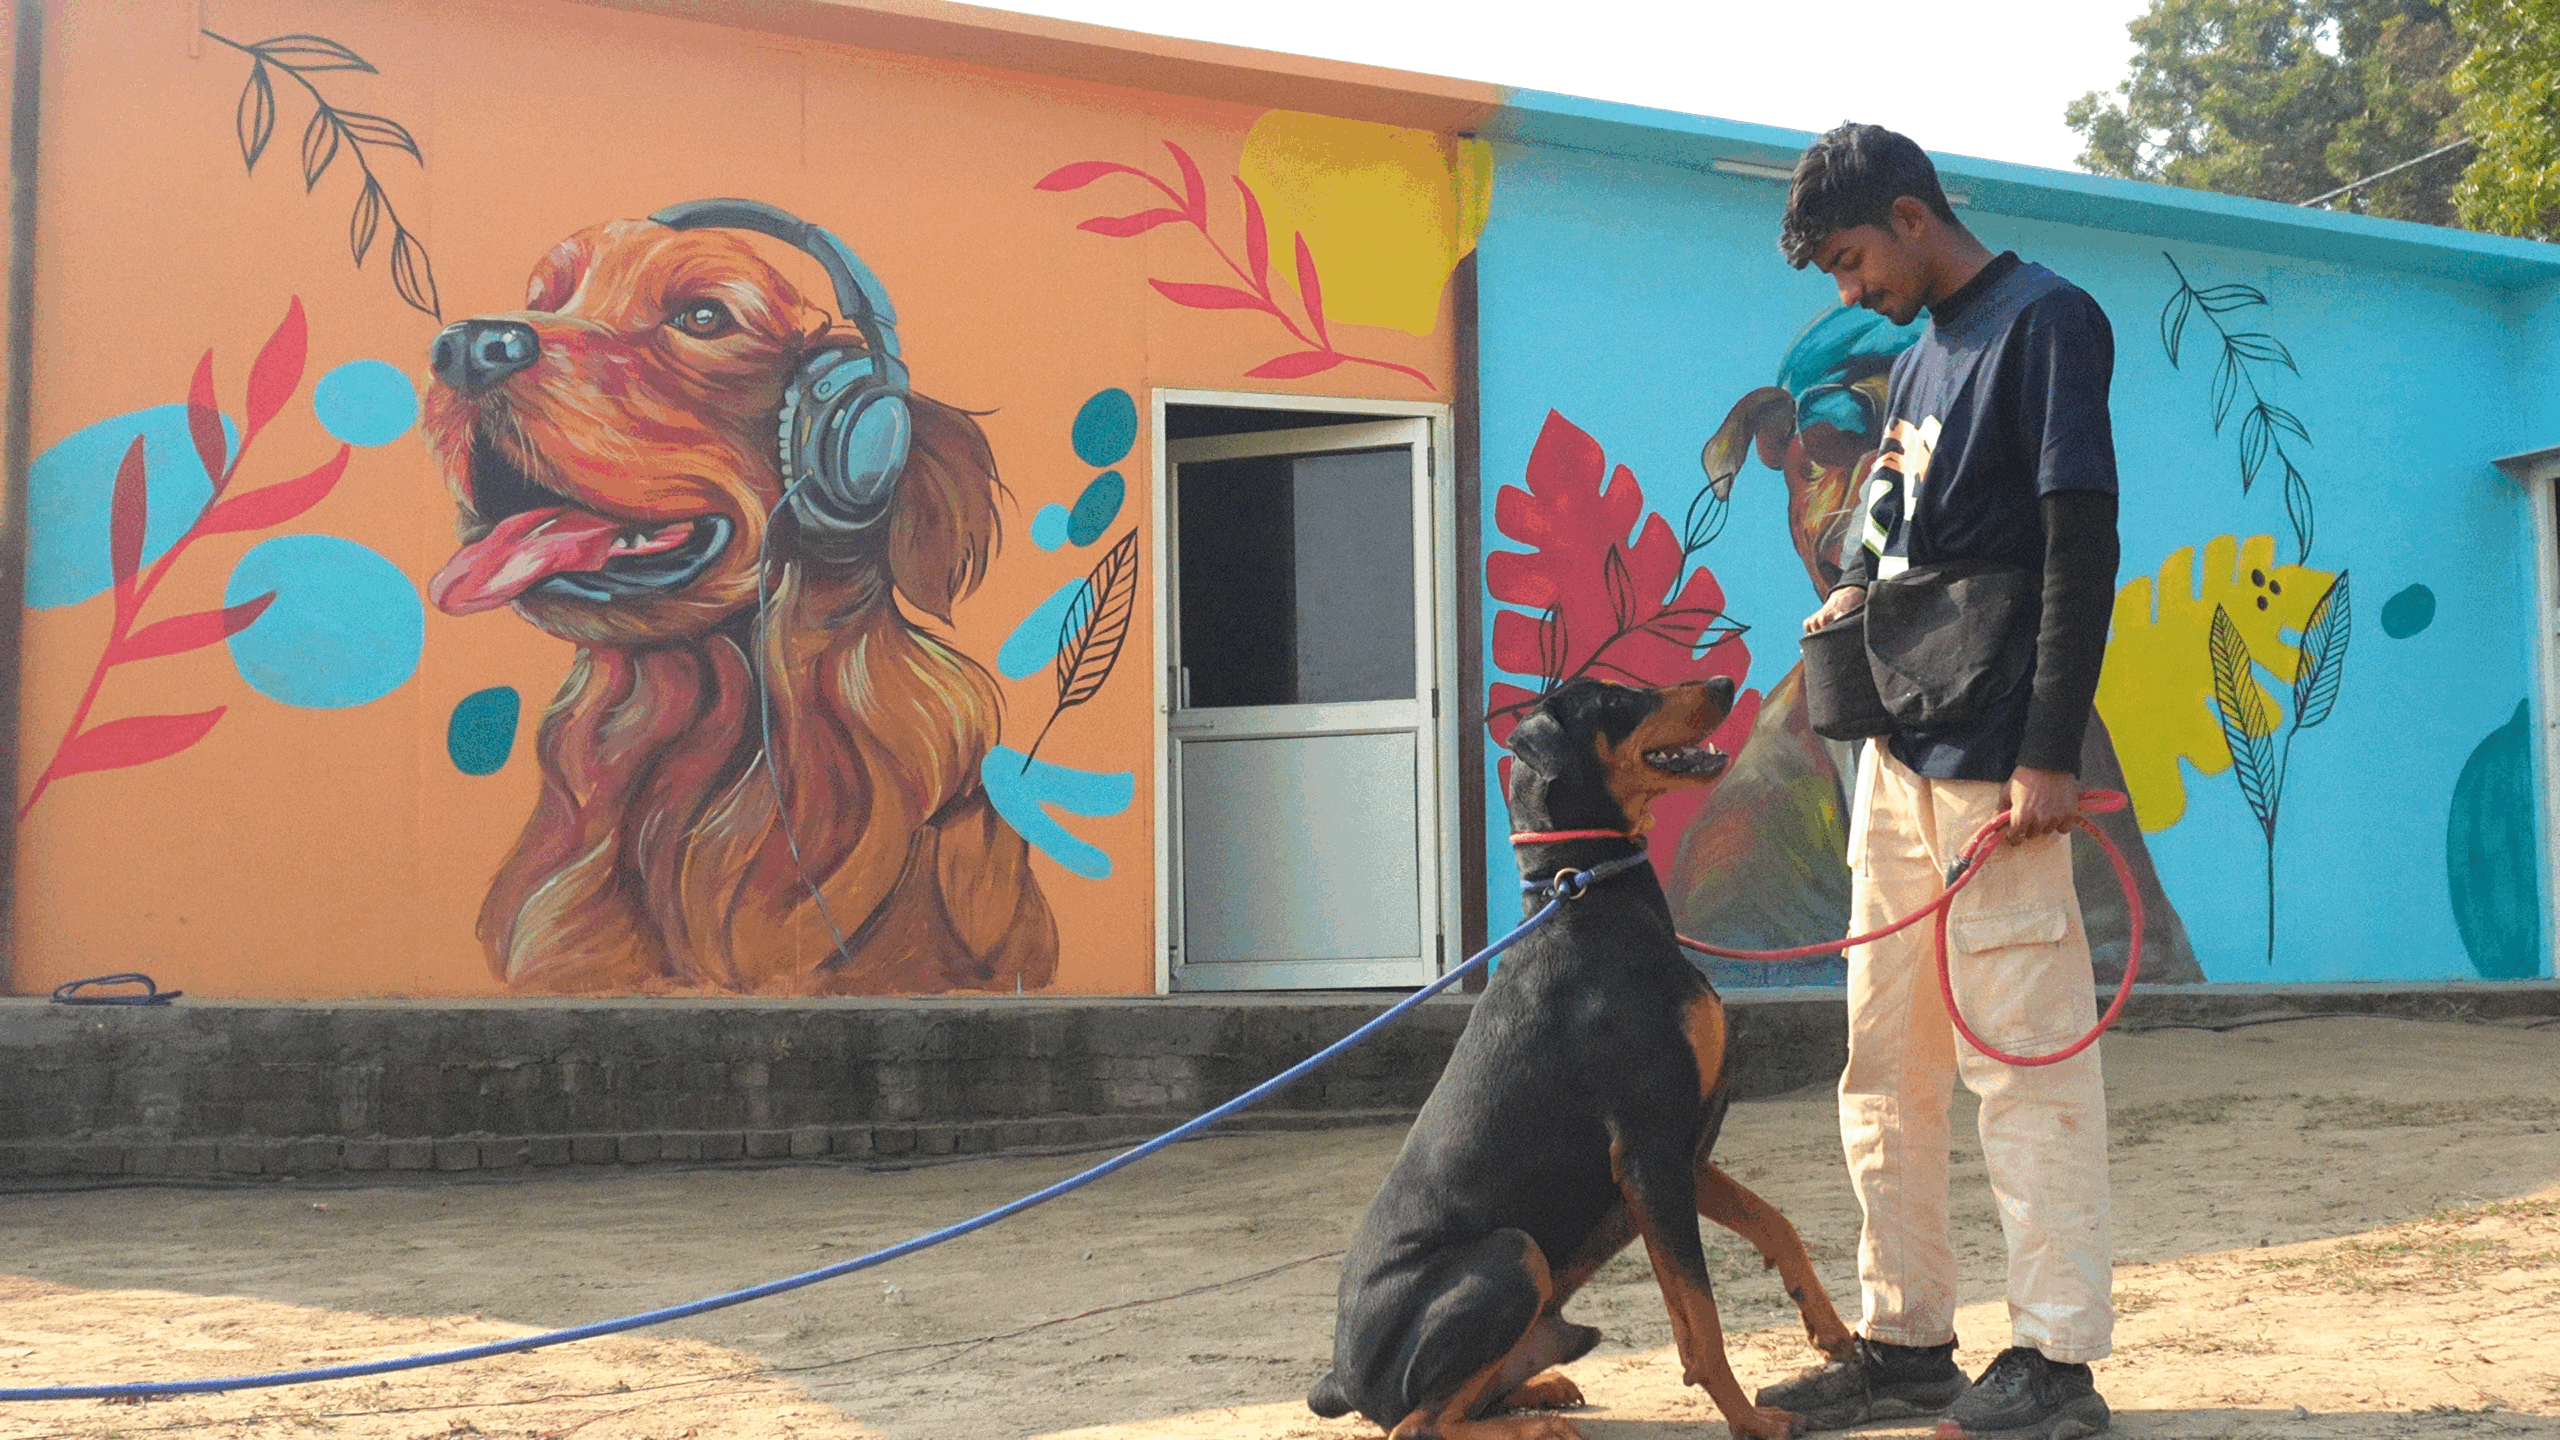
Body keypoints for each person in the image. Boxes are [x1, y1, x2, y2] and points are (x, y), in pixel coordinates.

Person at [1755, 123, 2121, 1440]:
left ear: (1913, 216)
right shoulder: (1913, 358)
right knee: (1883, 1067)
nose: (1847, 289)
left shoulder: (2046, 323)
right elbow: (1898, 534)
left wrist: (2047, 750)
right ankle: (1905, 1338)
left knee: (2019, 1065)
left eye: (1852, 258)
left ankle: (2057, 1362)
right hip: (1895, 766)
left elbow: (2082, 543)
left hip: (1995, 767)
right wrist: (1851, 582)